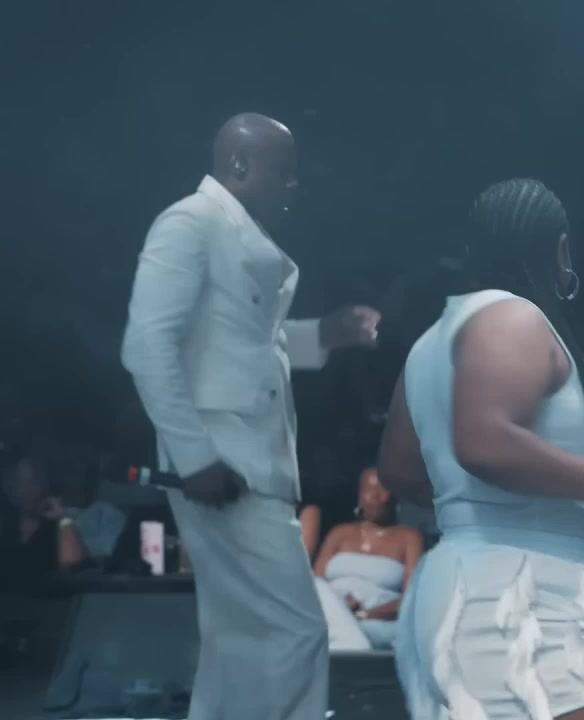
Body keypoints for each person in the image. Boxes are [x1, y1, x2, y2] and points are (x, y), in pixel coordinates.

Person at [378, 179, 584, 720]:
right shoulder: (511, 316)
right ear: (560, 250)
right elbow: (483, 442)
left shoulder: (431, 341)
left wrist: (481, 511)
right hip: (518, 593)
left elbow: (399, 470)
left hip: (491, 585)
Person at [121, 113, 380, 720]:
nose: (294, 185)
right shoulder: (189, 223)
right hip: (223, 461)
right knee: (294, 631)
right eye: (283, 172)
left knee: (237, 639)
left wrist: (324, 335)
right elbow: (147, 347)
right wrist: (195, 458)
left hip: (245, 458)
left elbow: (243, 343)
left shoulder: (228, 231)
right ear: (239, 165)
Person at [312, 468, 422, 650]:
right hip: (331, 615)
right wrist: (340, 606)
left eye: (382, 489)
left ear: (395, 496)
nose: (375, 496)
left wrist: (365, 614)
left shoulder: (408, 538)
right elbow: (317, 583)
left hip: (377, 621)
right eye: (368, 490)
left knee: (367, 631)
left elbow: (412, 598)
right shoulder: (340, 533)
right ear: (359, 497)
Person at [0, 456, 80, 610]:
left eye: (33, 483)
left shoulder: (61, 527)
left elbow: (71, 573)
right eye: (20, 484)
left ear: (45, 487)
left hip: (42, 614)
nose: (26, 491)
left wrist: (63, 518)